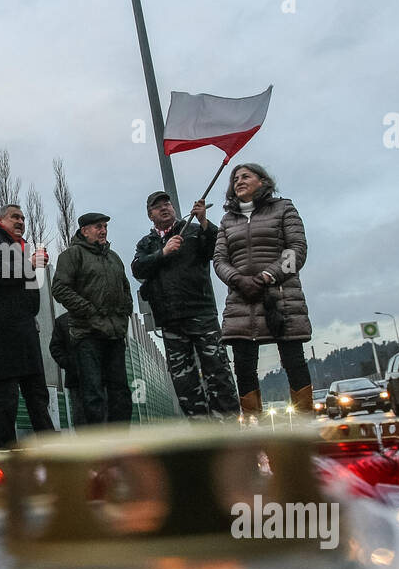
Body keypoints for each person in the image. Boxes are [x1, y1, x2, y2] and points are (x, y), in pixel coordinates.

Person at [213, 162, 313, 417]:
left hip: (281, 296)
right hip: (241, 300)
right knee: (244, 366)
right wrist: (238, 280)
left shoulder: (283, 208)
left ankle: (304, 422)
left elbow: (296, 250)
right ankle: (253, 426)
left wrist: (269, 275)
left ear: (263, 181)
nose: (239, 181)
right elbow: (219, 260)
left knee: (293, 359)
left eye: (246, 176)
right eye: (235, 179)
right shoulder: (227, 220)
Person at [131, 190, 240, 419]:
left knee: (217, 371)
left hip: (201, 314)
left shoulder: (192, 231)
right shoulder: (147, 243)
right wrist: (163, 252)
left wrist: (203, 222)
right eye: (157, 206)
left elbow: (216, 248)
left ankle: (228, 427)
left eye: (167, 204)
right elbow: (138, 269)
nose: (164, 208)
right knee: (184, 381)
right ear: (150, 215)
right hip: (170, 320)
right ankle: (200, 430)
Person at [0, 203, 55, 447]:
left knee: (38, 394)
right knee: (6, 395)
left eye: (23, 218)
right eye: (15, 217)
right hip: (0, 329)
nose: (20, 221)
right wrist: (28, 264)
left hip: (24, 328)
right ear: (0, 219)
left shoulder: (22, 247)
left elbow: (27, 287)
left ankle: (49, 448)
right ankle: (4, 451)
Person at [51, 213, 134, 425]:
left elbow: (125, 287)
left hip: (115, 334)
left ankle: (122, 439)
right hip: (87, 335)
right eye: (98, 226)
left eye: (105, 226)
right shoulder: (72, 255)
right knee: (93, 392)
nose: (104, 230)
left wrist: (125, 312)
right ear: (84, 230)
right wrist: (88, 311)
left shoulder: (113, 257)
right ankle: (99, 443)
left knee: (120, 391)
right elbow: (60, 288)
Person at [48, 311, 85, 428]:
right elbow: (55, 348)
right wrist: (69, 363)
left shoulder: (62, 321)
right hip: (77, 378)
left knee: (83, 415)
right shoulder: (62, 321)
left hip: (83, 377)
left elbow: (55, 348)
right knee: (81, 416)